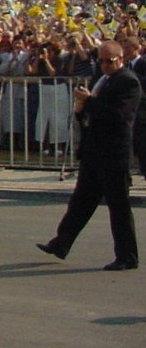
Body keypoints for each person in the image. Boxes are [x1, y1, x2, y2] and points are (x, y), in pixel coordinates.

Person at [37, 40, 140, 270]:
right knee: (80, 203)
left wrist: (89, 102)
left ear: (120, 59)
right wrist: (82, 109)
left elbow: (119, 116)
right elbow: (92, 111)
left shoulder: (128, 81)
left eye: (109, 61)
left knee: (119, 208)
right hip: (94, 152)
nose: (104, 65)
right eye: (101, 61)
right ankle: (61, 243)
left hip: (113, 154)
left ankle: (127, 256)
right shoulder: (102, 78)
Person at [121, 36, 146, 179]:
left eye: (128, 47)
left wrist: (130, 75)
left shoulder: (142, 63)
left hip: (142, 112)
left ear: (137, 48)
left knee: (143, 146)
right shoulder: (125, 65)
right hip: (130, 112)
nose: (126, 50)